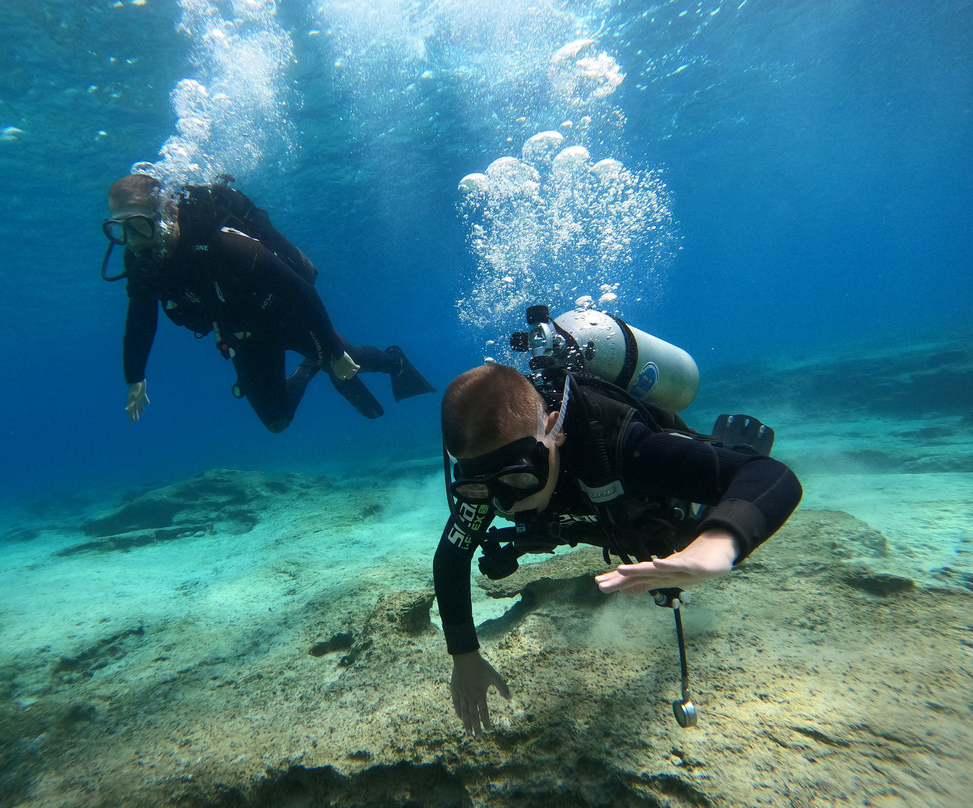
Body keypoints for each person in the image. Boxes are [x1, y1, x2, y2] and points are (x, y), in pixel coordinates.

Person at [435, 362, 802, 736]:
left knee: (682, 534)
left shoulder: (622, 447)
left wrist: (717, 545)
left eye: (518, 478)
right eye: (478, 488)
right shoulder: (489, 480)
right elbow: (451, 556)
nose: (505, 504)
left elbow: (775, 477)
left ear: (554, 430)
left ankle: (727, 452)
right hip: (602, 519)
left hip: (649, 500)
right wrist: (464, 655)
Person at [101, 173, 434, 433]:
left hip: (289, 317)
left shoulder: (226, 246)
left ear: (165, 212)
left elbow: (303, 291)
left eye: (138, 225)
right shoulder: (144, 261)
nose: (132, 242)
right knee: (277, 422)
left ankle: (394, 362)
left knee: (346, 361)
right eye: (119, 230)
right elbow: (141, 316)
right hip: (243, 337)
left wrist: (332, 351)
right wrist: (135, 376)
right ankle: (311, 365)